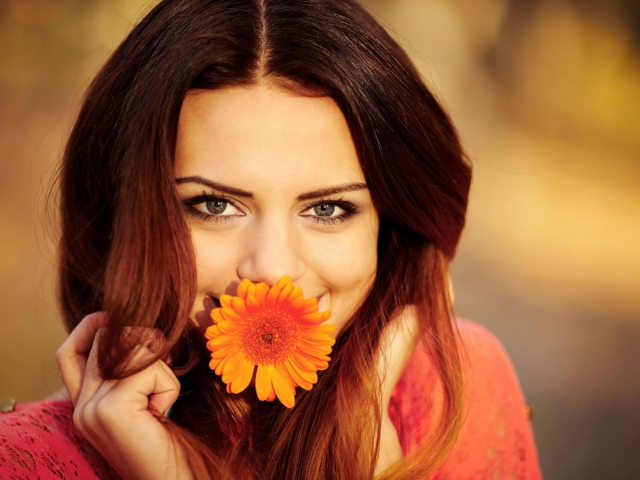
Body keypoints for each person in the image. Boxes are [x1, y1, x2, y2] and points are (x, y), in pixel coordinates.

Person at [0, 0, 541, 478]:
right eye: (215, 206)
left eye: (328, 209)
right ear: (124, 213)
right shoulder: (23, 461)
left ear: (390, 225)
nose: (273, 270)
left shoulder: (454, 389)